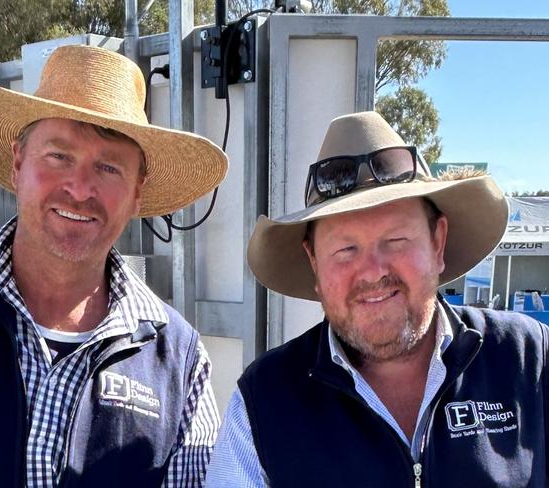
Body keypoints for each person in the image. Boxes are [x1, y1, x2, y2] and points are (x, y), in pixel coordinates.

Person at [0, 45, 228, 487]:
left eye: (109, 167)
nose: (79, 188)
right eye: (59, 156)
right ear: (18, 162)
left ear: (137, 194)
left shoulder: (178, 359)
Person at [206, 111, 548, 487]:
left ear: (438, 242)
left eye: (396, 240)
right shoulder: (262, 401)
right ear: (314, 262)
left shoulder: (528, 359)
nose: (372, 271)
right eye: (345, 249)